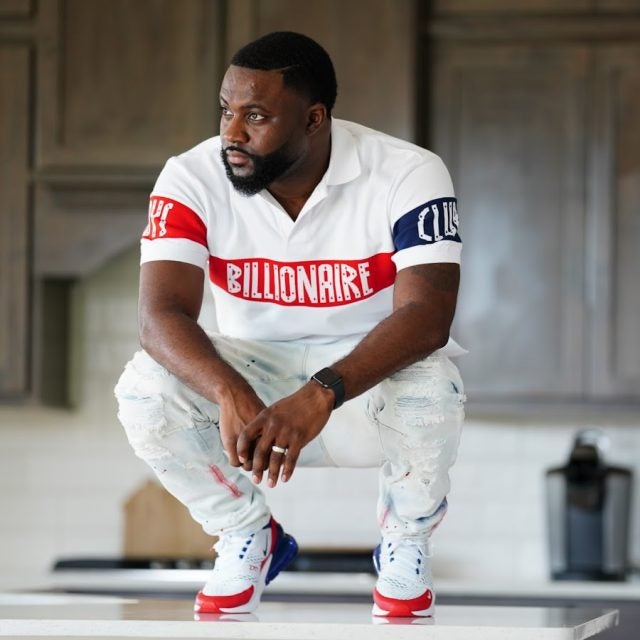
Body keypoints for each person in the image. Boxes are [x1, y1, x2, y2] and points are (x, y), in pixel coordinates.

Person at [114, 31, 466, 618]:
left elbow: (426, 318)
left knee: (433, 385)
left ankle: (405, 541)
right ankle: (247, 532)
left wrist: (320, 392)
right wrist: (228, 390)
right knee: (144, 390)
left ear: (314, 118)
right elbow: (159, 317)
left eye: (256, 116)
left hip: (365, 389)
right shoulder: (190, 176)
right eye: (226, 111)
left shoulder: (408, 172)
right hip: (254, 388)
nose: (232, 132)